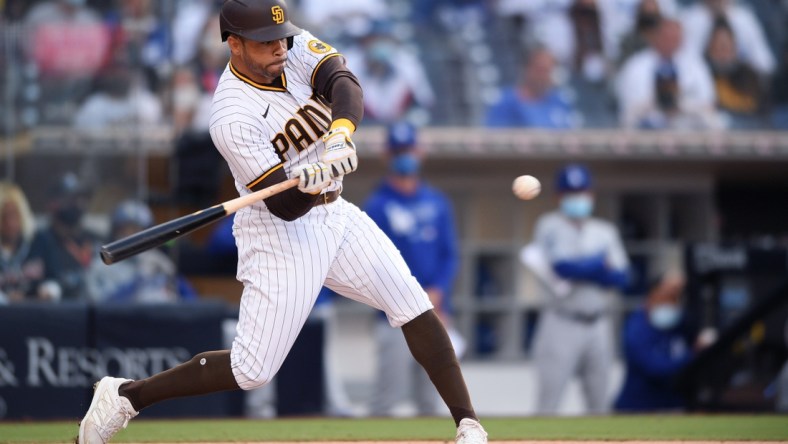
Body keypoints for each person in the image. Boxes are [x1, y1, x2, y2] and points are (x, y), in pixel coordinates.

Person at [76, 2, 487, 444]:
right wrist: (307, 184)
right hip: (279, 232)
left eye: (281, 37)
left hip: (337, 213)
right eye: (264, 42)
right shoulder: (230, 115)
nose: (278, 48)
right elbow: (286, 206)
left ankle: (468, 424)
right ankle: (126, 396)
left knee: (411, 303)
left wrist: (340, 134)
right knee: (251, 370)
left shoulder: (292, 49)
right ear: (234, 45)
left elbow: (344, 82)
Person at [364, 121, 461, 417]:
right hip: (393, 316)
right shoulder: (376, 205)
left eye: (408, 150)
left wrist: (439, 291)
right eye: (397, 151)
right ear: (387, 156)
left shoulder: (437, 202)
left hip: (434, 312)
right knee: (386, 399)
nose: (404, 157)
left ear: (419, 152)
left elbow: (449, 255)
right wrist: (410, 294)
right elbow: (373, 262)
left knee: (433, 400)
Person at [525, 163, 630, 415]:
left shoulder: (604, 231)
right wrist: (598, 263)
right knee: (548, 404)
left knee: (599, 404)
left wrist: (587, 268)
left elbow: (622, 278)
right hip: (561, 321)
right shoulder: (548, 225)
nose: (577, 197)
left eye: (582, 191)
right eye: (570, 192)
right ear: (558, 196)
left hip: (598, 323)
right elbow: (563, 268)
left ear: (591, 194)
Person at [614, 272, 713, 412]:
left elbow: (699, 330)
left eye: (675, 297)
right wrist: (693, 355)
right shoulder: (637, 326)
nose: (671, 302)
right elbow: (655, 368)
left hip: (675, 405)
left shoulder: (680, 323)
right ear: (652, 296)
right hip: (637, 409)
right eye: (666, 296)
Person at [615, 18, 724, 130]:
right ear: (655, 37)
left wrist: (681, 105)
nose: (670, 42)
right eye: (666, 37)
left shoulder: (696, 65)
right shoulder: (635, 66)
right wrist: (658, 103)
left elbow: (708, 103)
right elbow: (627, 109)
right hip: (647, 134)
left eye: (675, 38)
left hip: (688, 133)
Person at [85, 199, 197, 304]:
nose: (133, 235)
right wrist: (139, 280)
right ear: (115, 231)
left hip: (162, 320)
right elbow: (103, 307)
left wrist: (173, 277)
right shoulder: (101, 266)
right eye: (127, 229)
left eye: (138, 230)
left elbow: (191, 302)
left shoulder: (156, 261)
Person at [28, 172, 98, 302]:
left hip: (93, 309)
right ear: (53, 204)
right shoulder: (42, 240)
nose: (78, 204)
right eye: (70, 199)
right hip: (59, 313)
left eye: (80, 198)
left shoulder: (92, 238)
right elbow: (33, 281)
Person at [484, 46, 578, 129]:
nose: (544, 76)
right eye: (540, 70)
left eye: (549, 71)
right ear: (527, 69)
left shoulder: (559, 102)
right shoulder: (506, 102)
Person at [0, 182, 43, 303]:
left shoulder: (37, 243)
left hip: (31, 313)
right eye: (4, 216)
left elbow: (54, 280)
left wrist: (49, 290)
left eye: (14, 215)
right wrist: (5, 299)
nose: (10, 223)